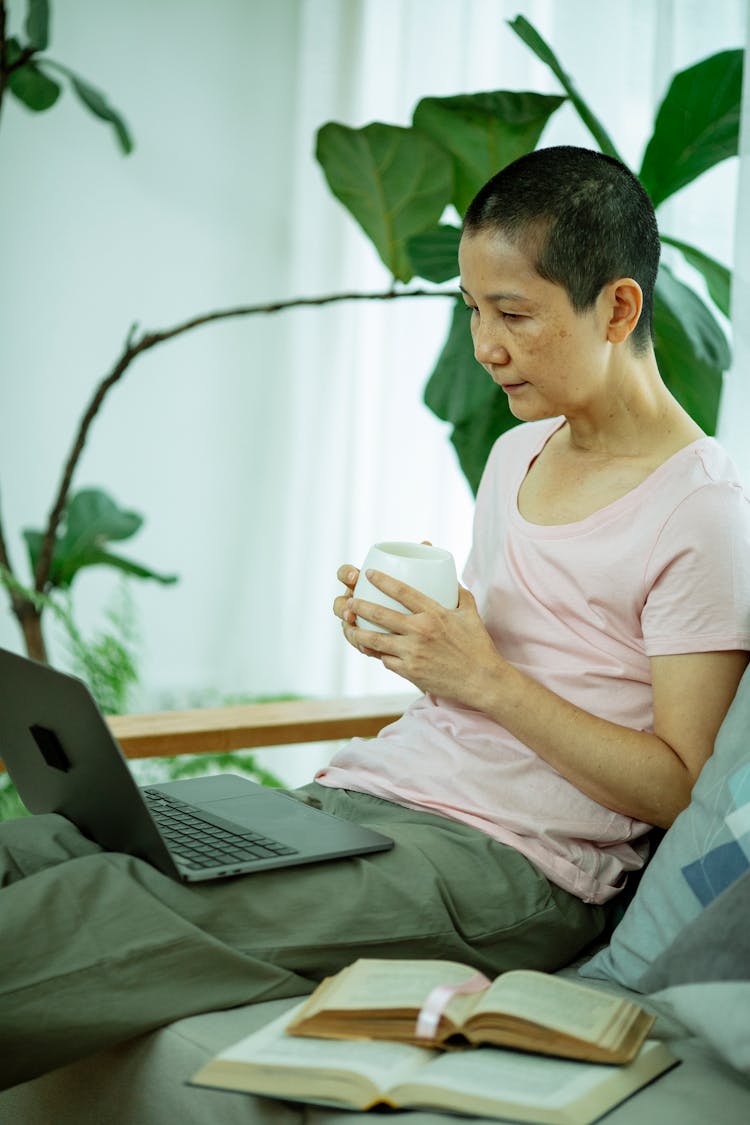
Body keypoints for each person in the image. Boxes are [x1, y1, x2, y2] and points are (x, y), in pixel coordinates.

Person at [2, 145, 749, 1091]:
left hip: (508, 868)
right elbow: (507, 656)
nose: (486, 346)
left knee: (106, 903)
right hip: (365, 799)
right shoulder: (519, 456)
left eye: (514, 313)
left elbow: (682, 786)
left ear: (618, 307)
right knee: (38, 845)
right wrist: (422, 642)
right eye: (475, 310)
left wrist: (481, 677)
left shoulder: (703, 511)